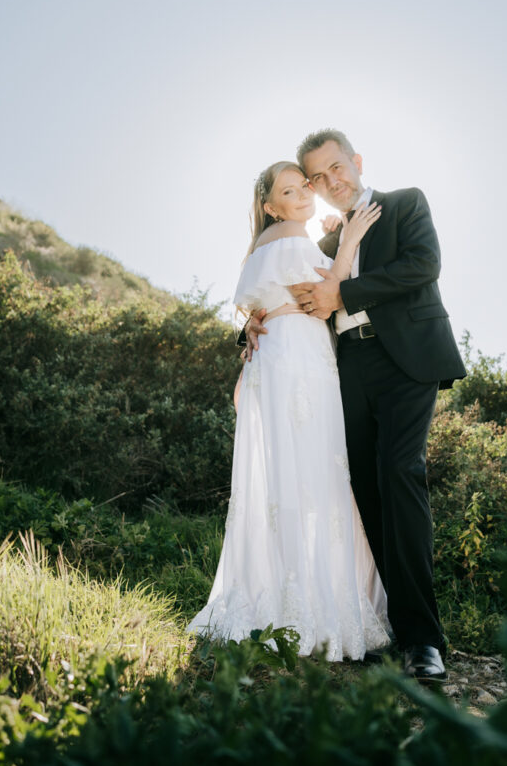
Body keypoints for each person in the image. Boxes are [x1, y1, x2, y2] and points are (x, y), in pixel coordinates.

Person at [246, 130, 466, 683]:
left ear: (357, 162)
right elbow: (284, 290)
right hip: (346, 371)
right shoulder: (322, 244)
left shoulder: (405, 203)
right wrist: (251, 325)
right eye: (318, 177)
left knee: (399, 473)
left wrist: (345, 293)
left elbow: (423, 266)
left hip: (407, 361)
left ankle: (423, 640)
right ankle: (380, 624)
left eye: (337, 167)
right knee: (363, 491)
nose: (331, 181)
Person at [186, 160, 392, 661]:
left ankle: (292, 593)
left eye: (304, 186)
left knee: (297, 475)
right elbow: (325, 294)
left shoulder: (282, 242)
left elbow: (278, 298)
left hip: (294, 354)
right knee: (312, 473)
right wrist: (347, 238)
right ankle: (306, 602)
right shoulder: (286, 236)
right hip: (296, 360)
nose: (302, 194)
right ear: (270, 206)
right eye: (288, 190)